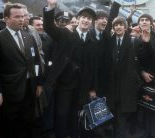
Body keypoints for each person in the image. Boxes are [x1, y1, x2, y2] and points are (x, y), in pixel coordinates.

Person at [43, 0, 97, 137]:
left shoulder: (92, 40)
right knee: (61, 113)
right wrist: (51, 7)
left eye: (89, 18)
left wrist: (91, 88)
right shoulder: (65, 34)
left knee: (75, 113)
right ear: (78, 19)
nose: (86, 20)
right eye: (83, 17)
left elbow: (92, 67)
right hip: (65, 83)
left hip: (82, 85)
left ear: (92, 22)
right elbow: (49, 27)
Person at [0, 3, 43, 138]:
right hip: (9, 90)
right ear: (6, 19)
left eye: (23, 16)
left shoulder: (29, 37)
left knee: (27, 122)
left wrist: (39, 82)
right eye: (17, 17)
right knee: (10, 125)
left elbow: (36, 61)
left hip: (30, 88)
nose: (21, 19)